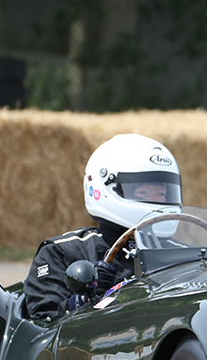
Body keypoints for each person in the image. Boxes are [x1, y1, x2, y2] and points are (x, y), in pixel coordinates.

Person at [23, 133, 183, 318]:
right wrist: (87, 298)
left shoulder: (182, 254)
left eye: (162, 194)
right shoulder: (62, 253)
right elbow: (45, 322)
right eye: (144, 192)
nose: (157, 201)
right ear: (105, 188)